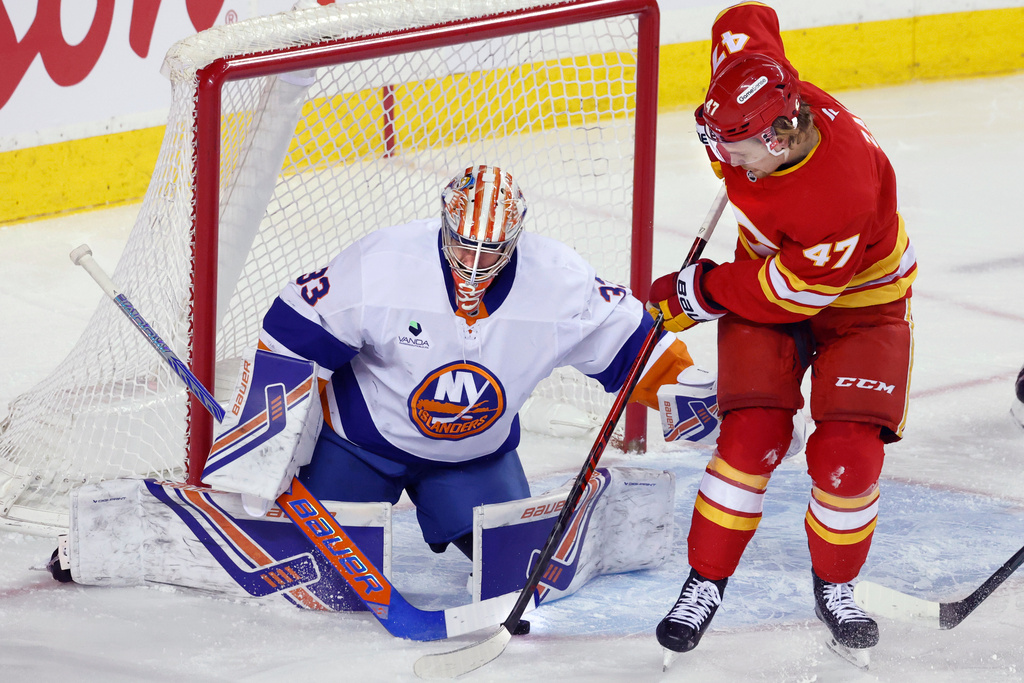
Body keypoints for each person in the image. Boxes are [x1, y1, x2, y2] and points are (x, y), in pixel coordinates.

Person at [646, 3, 917, 659]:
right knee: (751, 440)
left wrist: (699, 289)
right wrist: (737, 68)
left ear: (778, 140)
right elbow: (743, 17)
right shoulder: (760, 91)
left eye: (734, 150)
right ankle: (704, 583)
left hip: (859, 304)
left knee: (848, 460)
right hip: (773, 272)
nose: (723, 160)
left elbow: (790, 293)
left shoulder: (841, 191)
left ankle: (837, 586)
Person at [251, 163, 698, 560]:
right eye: (464, 246)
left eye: (491, 252)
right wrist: (259, 451)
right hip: (360, 449)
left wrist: (698, 398)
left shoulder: (557, 279)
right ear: (444, 225)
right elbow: (296, 334)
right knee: (315, 572)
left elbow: (632, 345)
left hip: (473, 459)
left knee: (518, 566)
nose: (474, 264)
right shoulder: (384, 263)